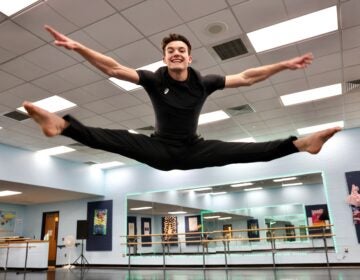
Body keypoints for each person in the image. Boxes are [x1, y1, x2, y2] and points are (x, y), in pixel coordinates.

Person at [23, 25, 341, 171]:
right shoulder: (153, 78)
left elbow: (247, 78)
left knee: (246, 151)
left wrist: (283, 65)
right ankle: (61, 126)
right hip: (159, 148)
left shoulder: (204, 82)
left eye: (181, 51)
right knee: (116, 138)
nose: (176, 54)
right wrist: (79, 47)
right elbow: (115, 68)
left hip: (193, 149)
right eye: (170, 51)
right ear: (165, 58)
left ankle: (301, 144)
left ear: (189, 59)